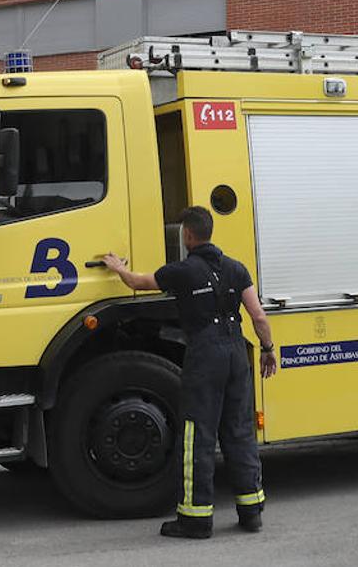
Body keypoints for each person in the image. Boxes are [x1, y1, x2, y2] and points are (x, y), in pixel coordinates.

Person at [102, 206, 277, 540]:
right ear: (210, 232)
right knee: (239, 430)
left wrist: (118, 268)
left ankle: (195, 519)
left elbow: (139, 282)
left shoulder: (181, 272)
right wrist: (268, 350)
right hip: (236, 352)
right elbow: (258, 316)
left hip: (205, 354)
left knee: (198, 436)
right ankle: (251, 512)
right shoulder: (237, 269)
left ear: (188, 235)